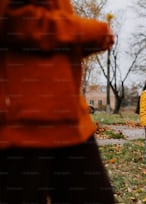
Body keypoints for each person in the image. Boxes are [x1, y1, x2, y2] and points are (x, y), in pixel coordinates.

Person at [0, 0, 115, 203]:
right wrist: (85, 31)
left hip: (70, 120)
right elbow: (16, 20)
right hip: (24, 125)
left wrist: (82, 42)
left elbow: (52, 43)